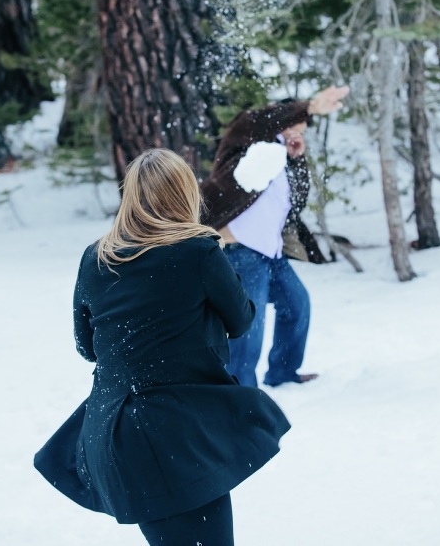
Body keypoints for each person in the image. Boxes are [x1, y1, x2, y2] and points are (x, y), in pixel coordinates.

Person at [34, 149, 291, 546]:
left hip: (115, 435)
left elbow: (88, 346)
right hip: (174, 433)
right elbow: (241, 321)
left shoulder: (96, 257)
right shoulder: (198, 251)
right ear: (184, 194)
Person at [200, 85, 347, 388]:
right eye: (297, 125)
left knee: (297, 306)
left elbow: (297, 201)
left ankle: (282, 373)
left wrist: (295, 157)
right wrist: (310, 106)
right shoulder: (246, 141)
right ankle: (240, 392)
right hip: (239, 250)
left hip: (269, 251)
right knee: (247, 326)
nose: (299, 133)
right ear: (281, 119)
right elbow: (260, 118)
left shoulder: (282, 155)